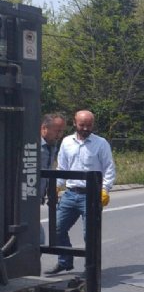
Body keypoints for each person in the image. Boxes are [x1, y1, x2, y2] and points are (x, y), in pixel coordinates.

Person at [45, 110, 115, 275]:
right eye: (82, 125)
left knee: (89, 235)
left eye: (89, 125)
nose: (85, 128)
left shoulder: (101, 143)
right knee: (57, 229)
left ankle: (91, 269)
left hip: (91, 195)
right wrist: (56, 186)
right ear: (75, 123)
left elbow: (109, 169)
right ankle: (65, 261)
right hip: (70, 194)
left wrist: (105, 190)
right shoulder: (67, 142)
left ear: (93, 125)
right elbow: (62, 168)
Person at [40, 113, 66, 244]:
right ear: (44, 128)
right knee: (38, 240)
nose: (59, 135)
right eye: (57, 131)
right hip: (23, 200)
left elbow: (49, 170)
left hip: (36, 199)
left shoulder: (52, 146)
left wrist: (52, 190)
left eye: (62, 131)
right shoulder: (33, 145)